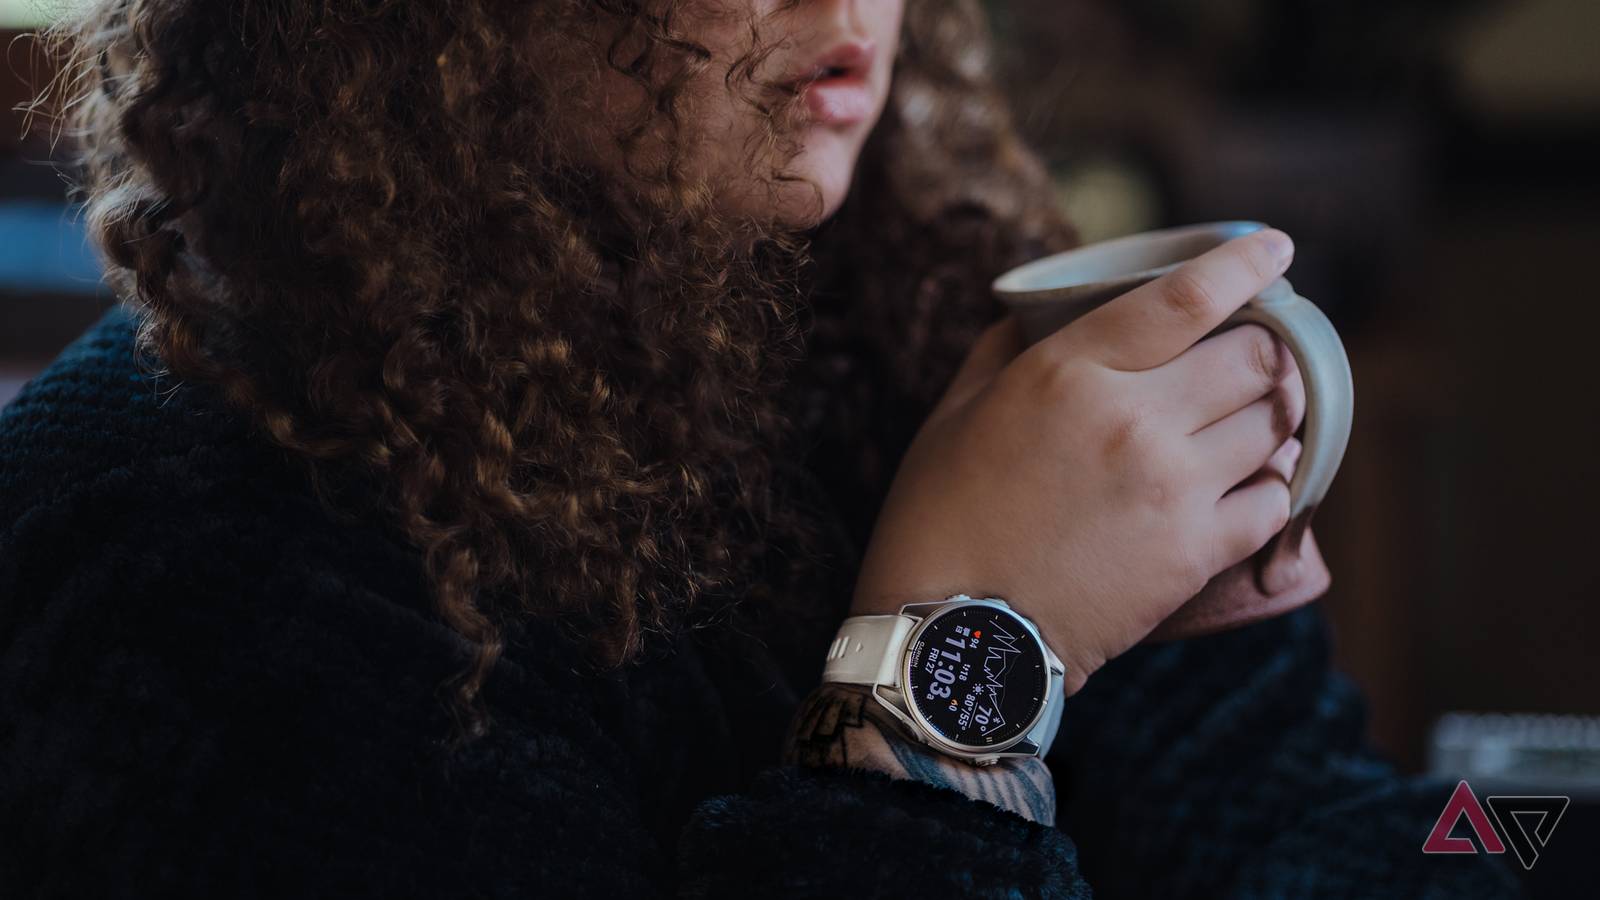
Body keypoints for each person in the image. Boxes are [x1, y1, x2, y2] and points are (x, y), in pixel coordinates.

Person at [0, 1, 1523, 897]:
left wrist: (1532, 830)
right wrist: (967, 650)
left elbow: (1292, 834)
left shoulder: (899, 302)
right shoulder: (185, 550)